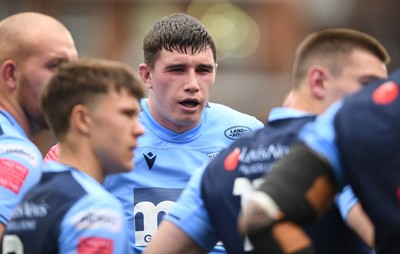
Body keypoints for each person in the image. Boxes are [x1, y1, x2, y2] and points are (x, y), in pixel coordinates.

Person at [143, 28, 390, 254]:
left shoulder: (216, 168)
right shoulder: (340, 156)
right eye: (367, 85)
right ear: (318, 81)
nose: (376, 99)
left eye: (204, 69)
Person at [43, 12, 263, 253]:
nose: (192, 83)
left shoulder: (248, 134)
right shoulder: (111, 130)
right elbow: (46, 202)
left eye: (203, 70)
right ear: (147, 75)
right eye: (177, 69)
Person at [238, 68, 400, 254]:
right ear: (317, 82)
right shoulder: (344, 126)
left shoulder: (347, 120)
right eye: (367, 84)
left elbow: (259, 216)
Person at [1, 58, 145, 253]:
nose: (139, 129)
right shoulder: (96, 211)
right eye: (127, 114)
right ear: (83, 119)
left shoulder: (29, 199)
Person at [0, 12, 78, 240]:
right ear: (11, 74)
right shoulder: (16, 154)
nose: (70, 83)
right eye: (55, 66)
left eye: (73, 69)